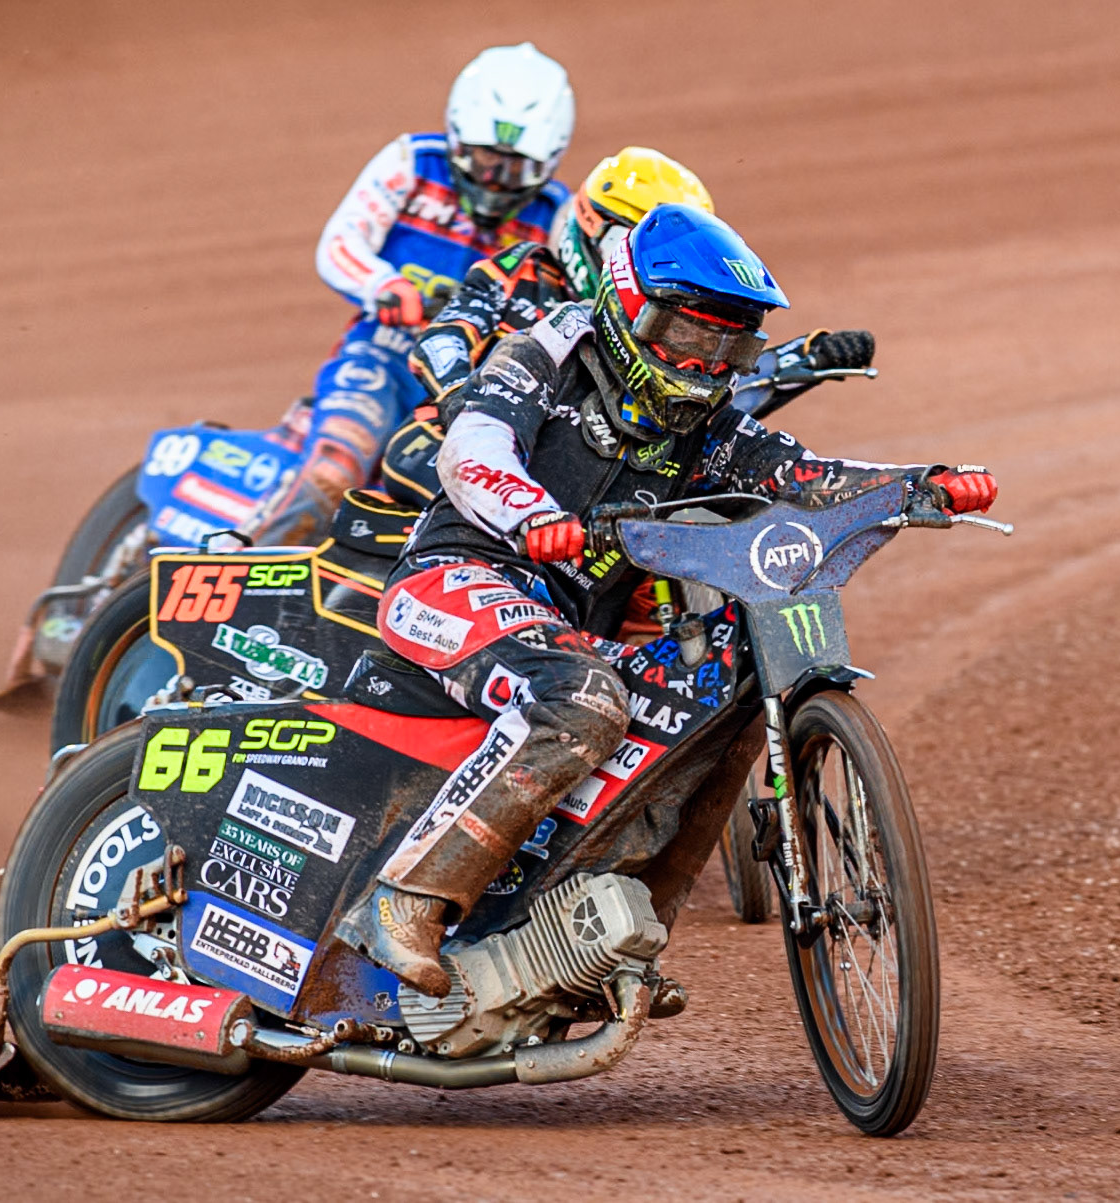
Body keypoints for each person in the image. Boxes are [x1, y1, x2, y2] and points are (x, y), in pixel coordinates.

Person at [333, 205, 997, 995]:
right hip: (452, 578)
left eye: (731, 345)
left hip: (565, 626)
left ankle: (609, 937)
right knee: (583, 702)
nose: (709, 361)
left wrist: (921, 486)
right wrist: (531, 512)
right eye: (690, 337)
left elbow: (806, 475)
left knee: (713, 702)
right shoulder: (548, 352)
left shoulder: (708, 424)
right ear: (630, 309)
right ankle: (403, 901)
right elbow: (472, 447)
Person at [249, 42, 576, 545]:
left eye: (515, 168)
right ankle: (240, 561)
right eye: (486, 158)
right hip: (383, 360)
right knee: (335, 470)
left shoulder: (557, 216)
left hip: (470, 392)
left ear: (549, 160)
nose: (494, 180)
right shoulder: (411, 163)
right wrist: (384, 284)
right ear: (457, 136)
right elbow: (340, 243)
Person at [410, 146, 880, 412]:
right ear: (589, 223)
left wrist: (802, 359)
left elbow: (701, 394)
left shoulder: (657, 317)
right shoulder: (520, 271)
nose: (643, 260)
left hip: (584, 467)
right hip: (458, 440)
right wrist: (465, 400)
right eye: (628, 240)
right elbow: (441, 341)